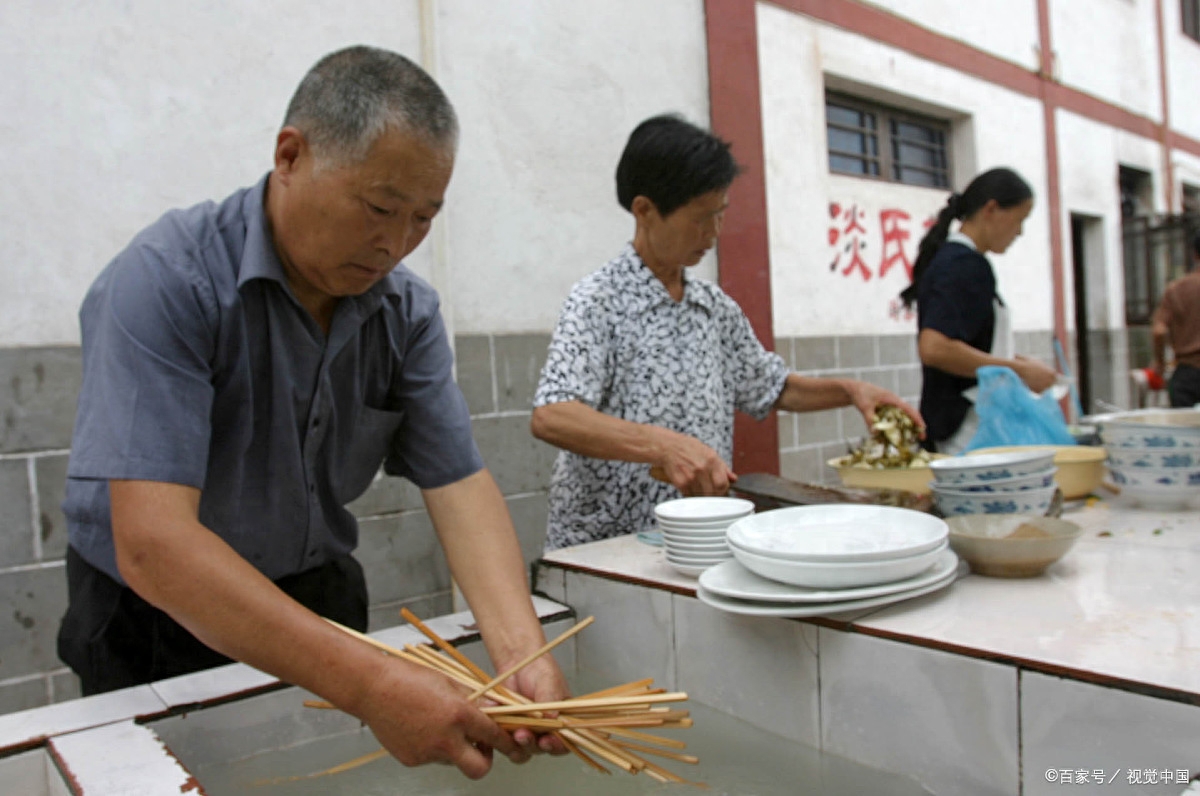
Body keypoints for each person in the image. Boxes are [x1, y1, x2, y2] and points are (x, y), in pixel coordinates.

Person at [56, 45, 566, 779]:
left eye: (424, 218)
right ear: (291, 155)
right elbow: (153, 544)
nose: (395, 243)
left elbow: (459, 486)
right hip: (154, 618)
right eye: (379, 207)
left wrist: (523, 658)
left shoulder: (406, 313)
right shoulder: (170, 278)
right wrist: (370, 682)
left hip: (314, 599)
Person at [530, 114, 921, 551]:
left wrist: (850, 391)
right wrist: (662, 446)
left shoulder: (712, 307)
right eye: (700, 219)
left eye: (719, 215)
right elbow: (553, 415)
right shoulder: (597, 300)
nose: (713, 234)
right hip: (606, 547)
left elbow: (772, 389)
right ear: (644, 210)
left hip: (693, 542)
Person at [898, 167, 1058, 454]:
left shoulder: (960, 261)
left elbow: (968, 340)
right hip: (965, 430)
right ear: (992, 209)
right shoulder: (963, 264)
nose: (1019, 232)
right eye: (1019, 220)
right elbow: (935, 347)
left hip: (972, 425)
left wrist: (1014, 361)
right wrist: (1019, 371)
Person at [1152, 230, 1200, 407]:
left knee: (1183, 431)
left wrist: (1160, 362)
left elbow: (1159, 331)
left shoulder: (1176, 289)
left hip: (1187, 375)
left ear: (1195, 254)